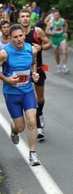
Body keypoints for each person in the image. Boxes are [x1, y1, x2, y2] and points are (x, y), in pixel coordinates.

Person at [0, 24, 41, 166]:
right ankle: (14, 130)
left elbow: (34, 63)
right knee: (20, 127)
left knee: (32, 121)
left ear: (24, 35)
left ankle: (33, 154)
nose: (19, 39)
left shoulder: (31, 49)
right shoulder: (4, 53)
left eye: (21, 36)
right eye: (15, 37)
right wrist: (7, 80)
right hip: (12, 93)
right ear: (10, 39)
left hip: (28, 91)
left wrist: (34, 73)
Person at [18, 9, 51, 141]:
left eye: (27, 16)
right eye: (22, 17)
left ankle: (40, 113)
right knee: (29, 98)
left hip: (38, 68)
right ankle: (37, 126)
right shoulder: (17, 34)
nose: (25, 19)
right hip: (23, 71)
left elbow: (48, 43)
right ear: (19, 19)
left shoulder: (37, 31)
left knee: (40, 99)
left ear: (29, 19)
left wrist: (40, 47)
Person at [45, 9, 70, 73]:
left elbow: (66, 25)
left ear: (59, 15)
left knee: (64, 51)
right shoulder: (50, 22)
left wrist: (65, 32)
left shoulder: (62, 20)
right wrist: (51, 33)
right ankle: (58, 66)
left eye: (58, 15)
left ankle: (64, 66)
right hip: (54, 38)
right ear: (53, 15)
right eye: (55, 15)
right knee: (56, 54)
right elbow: (46, 31)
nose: (57, 16)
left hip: (61, 37)